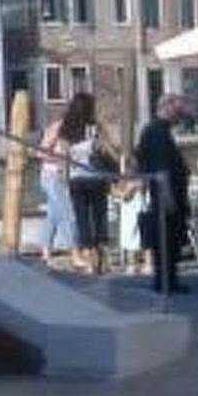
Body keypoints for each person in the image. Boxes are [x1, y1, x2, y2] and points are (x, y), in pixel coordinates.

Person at [136, 92, 192, 294]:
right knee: (167, 239)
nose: (180, 117)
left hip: (166, 193)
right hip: (165, 195)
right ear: (167, 107)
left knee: (170, 239)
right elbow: (161, 169)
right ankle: (166, 281)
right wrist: (168, 198)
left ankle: (169, 279)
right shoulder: (157, 132)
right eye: (178, 112)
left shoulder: (157, 130)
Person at [57, 90, 115, 275]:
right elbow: (107, 149)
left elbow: (64, 157)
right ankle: (104, 261)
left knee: (82, 219)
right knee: (100, 217)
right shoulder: (95, 126)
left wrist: (64, 178)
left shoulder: (66, 128)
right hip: (96, 178)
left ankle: (90, 261)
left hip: (77, 180)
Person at [37, 116, 77, 267]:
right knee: (69, 214)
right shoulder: (55, 129)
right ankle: (74, 254)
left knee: (52, 216)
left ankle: (45, 252)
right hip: (52, 178)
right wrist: (57, 159)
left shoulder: (67, 134)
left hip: (57, 179)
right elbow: (40, 153)